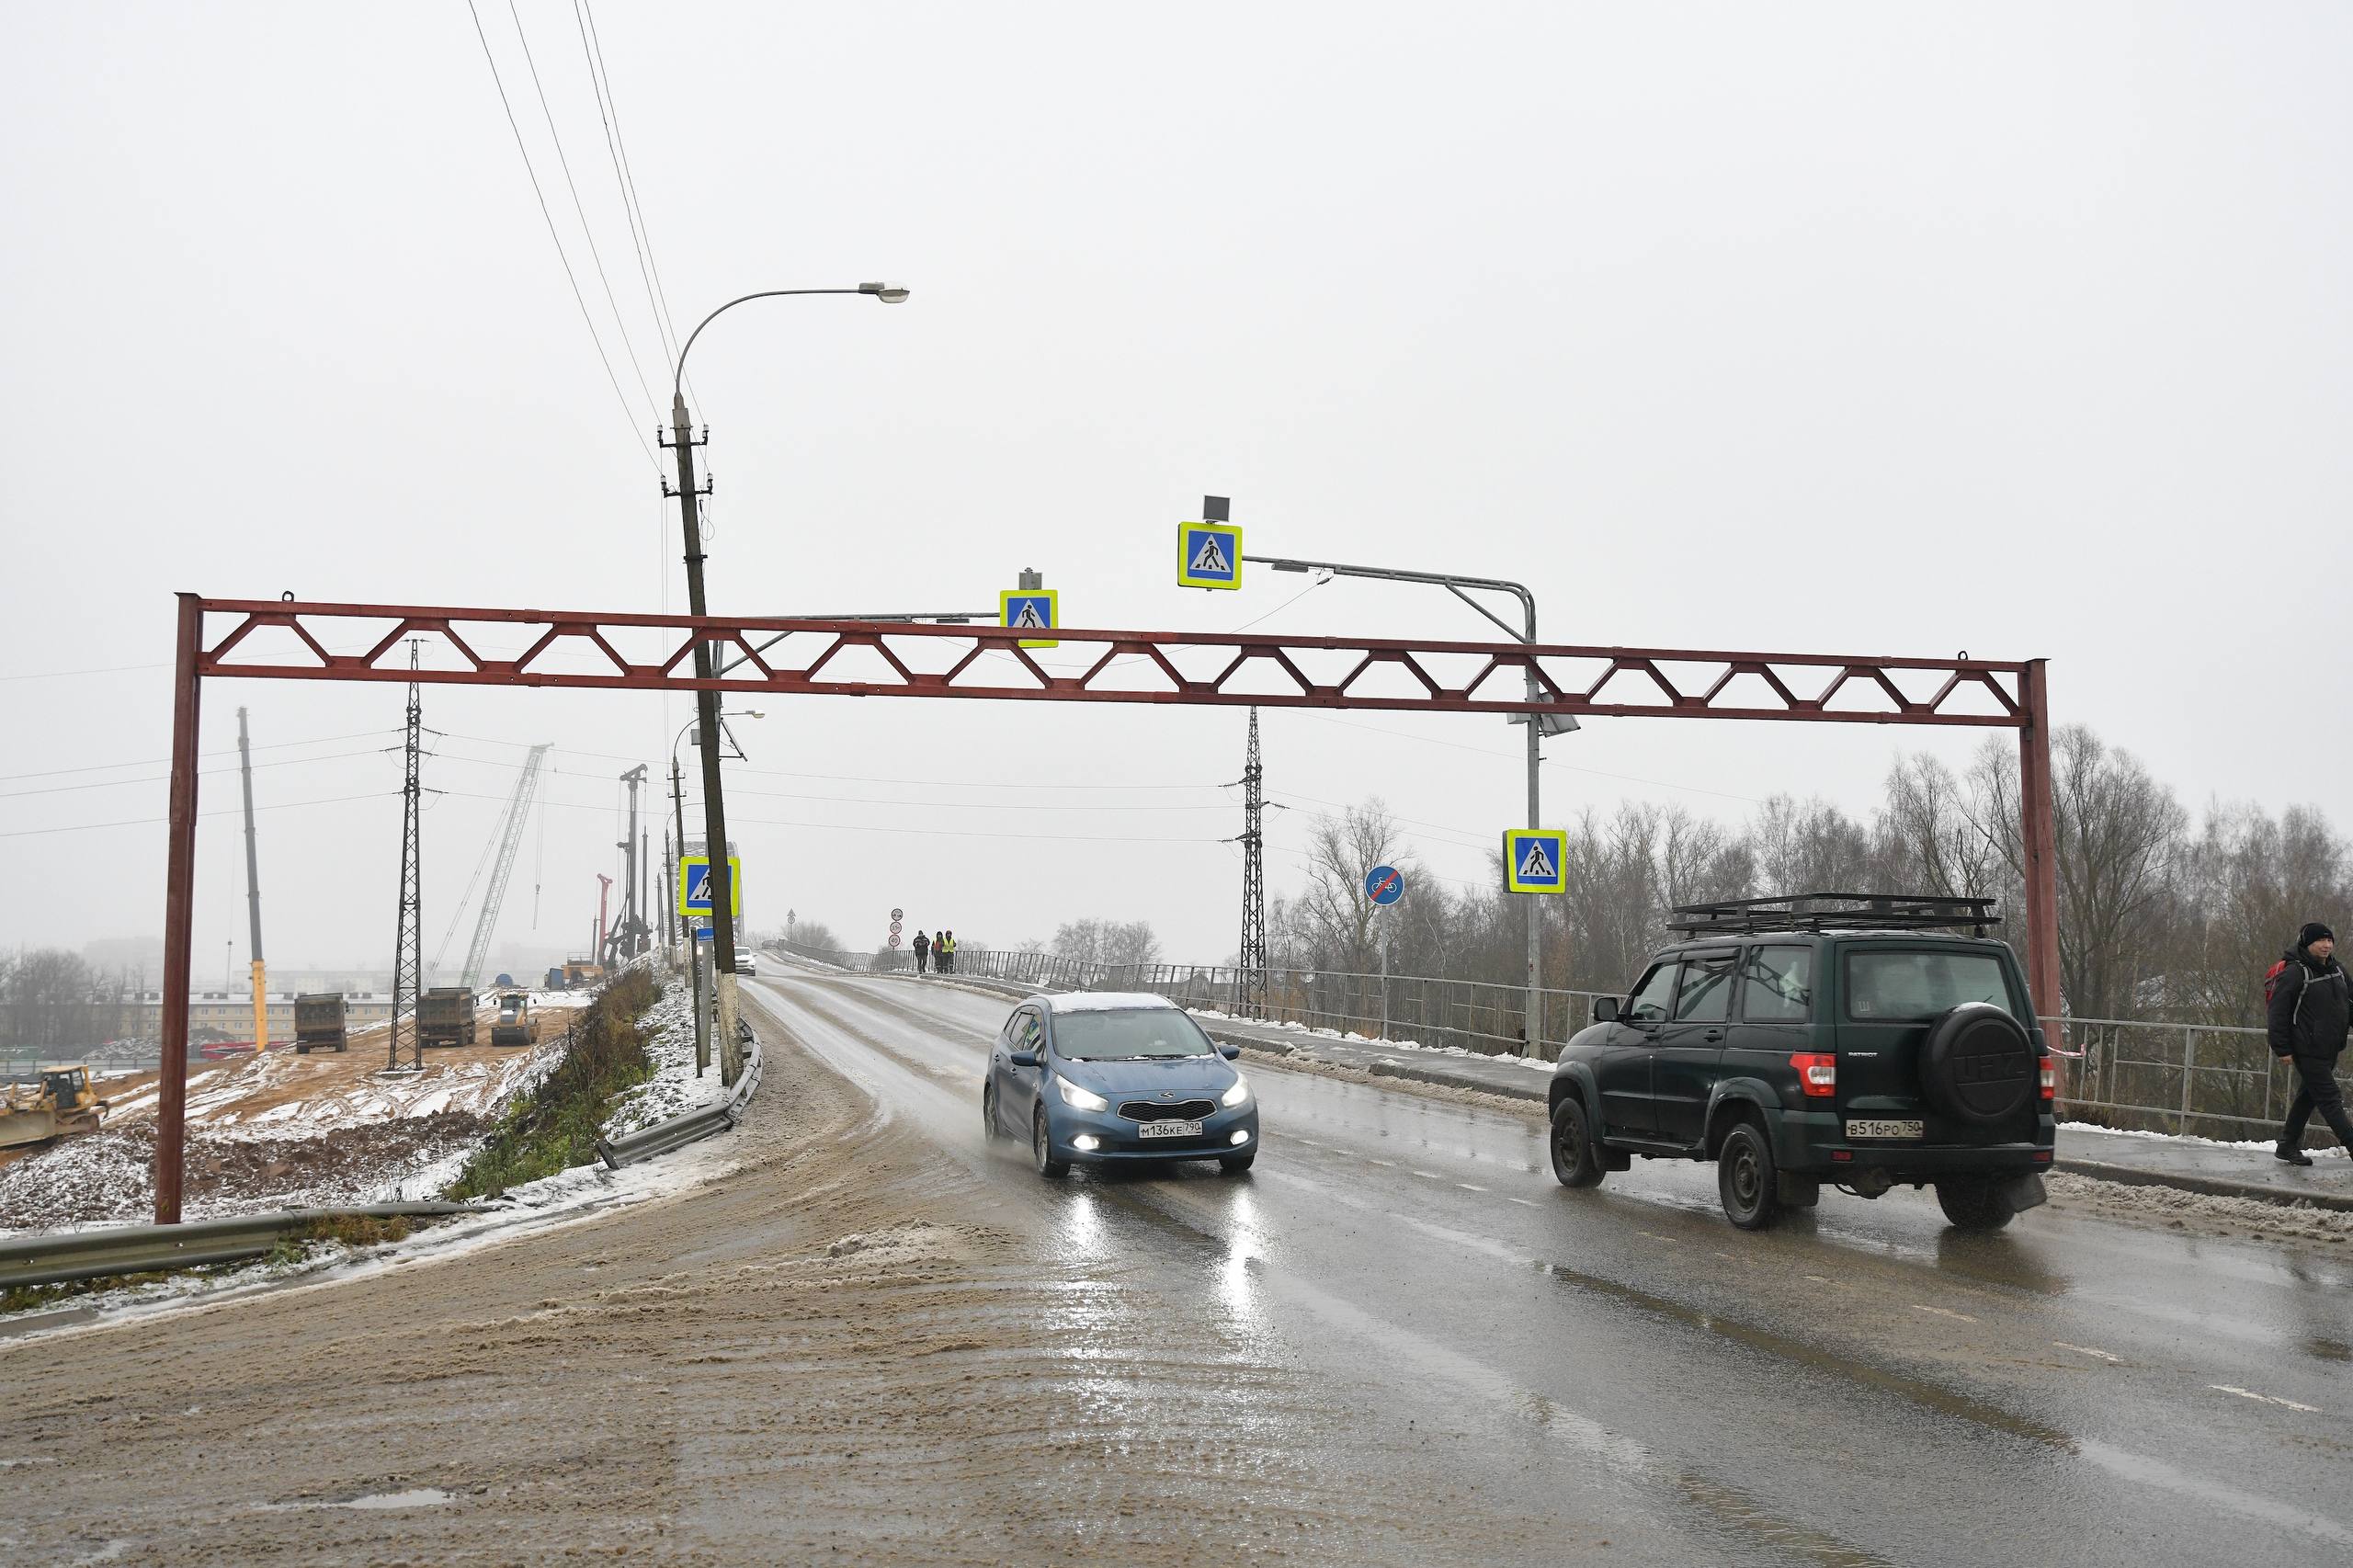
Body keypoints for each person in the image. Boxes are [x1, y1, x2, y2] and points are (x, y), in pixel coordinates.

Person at [2269, 921, 2353, 1165]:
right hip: (2306, 1048)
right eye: (2321, 941)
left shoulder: (2337, 969)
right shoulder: (2296, 972)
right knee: (2329, 1098)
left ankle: (2287, 1145)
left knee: (2309, 1096)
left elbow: (2349, 1002)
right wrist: (2282, 1048)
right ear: (2307, 943)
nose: (2327, 945)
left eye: (2329, 940)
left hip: (2330, 1047)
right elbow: (2277, 1012)